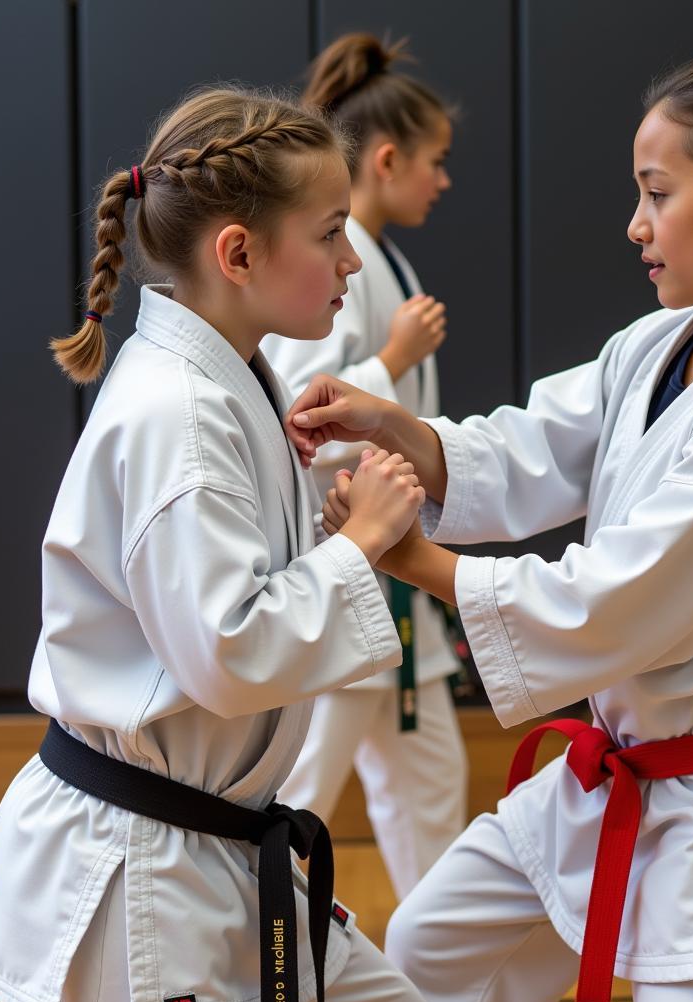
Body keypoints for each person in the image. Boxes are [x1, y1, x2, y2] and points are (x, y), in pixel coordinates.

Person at [286, 51, 693, 1002]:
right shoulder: (661, 342)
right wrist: (391, 422)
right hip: (613, 771)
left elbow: (621, 598)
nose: (635, 225)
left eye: (656, 194)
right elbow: (536, 446)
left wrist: (410, 558)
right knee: (424, 953)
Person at [0, 86, 437, 1002]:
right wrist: (358, 543)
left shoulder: (224, 386)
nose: (352, 259)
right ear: (238, 253)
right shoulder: (181, 415)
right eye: (332, 232)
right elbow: (227, 653)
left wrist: (314, 525)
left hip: (209, 846)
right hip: (152, 879)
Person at [261, 33, 467, 901]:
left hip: (392, 580)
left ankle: (438, 972)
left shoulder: (382, 260)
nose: (443, 180)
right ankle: (259, 953)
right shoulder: (342, 274)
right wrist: (388, 359)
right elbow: (307, 421)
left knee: (432, 787)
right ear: (385, 159)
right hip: (343, 562)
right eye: (435, 162)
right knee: (299, 789)